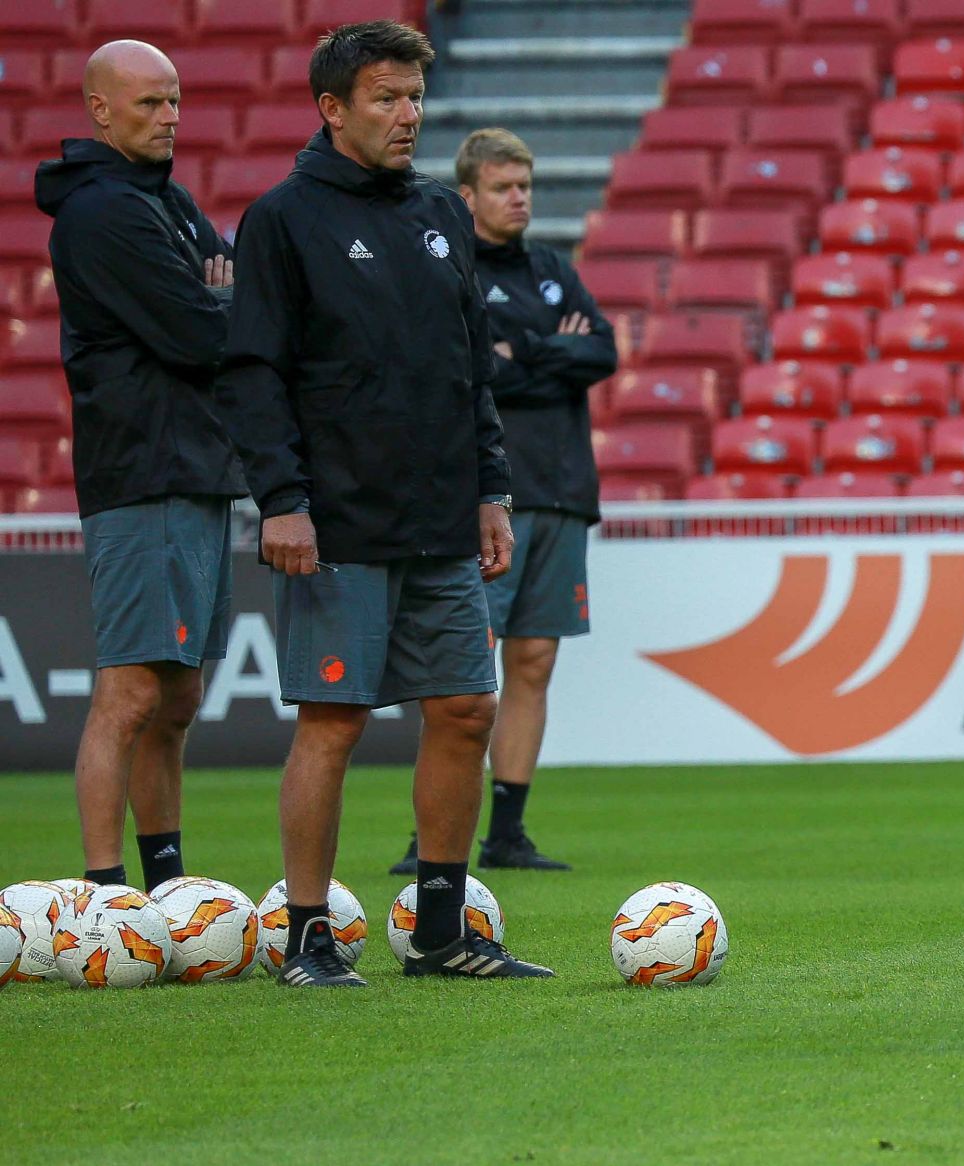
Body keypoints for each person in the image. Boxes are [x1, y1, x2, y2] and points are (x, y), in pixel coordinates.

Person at [217, 20, 553, 986]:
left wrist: (491, 488)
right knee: (334, 722)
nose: (408, 115)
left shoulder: (441, 213)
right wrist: (282, 501)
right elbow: (252, 376)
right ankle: (308, 936)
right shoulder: (284, 220)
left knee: (463, 709)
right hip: (337, 526)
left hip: (443, 518)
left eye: (414, 96)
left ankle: (442, 931)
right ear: (332, 109)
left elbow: (468, 375)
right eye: (386, 98)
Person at [36, 40, 241, 894]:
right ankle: (103, 893)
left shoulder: (168, 200)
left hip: (195, 467)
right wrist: (221, 298)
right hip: (143, 470)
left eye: (176, 101)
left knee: (180, 697)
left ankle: (166, 886)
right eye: (150, 103)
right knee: (128, 693)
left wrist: (222, 297)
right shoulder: (104, 214)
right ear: (100, 110)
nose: (169, 117)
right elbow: (204, 331)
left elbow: (231, 297)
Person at [388, 128, 616, 877]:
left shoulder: (554, 270)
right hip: (488, 495)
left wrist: (529, 354)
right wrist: (550, 352)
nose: (518, 197)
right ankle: (432, 835)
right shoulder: (449, 267)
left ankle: (508, 832)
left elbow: (603, 352)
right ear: (469, 195)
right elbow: (474, 367)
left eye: (524, 184)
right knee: (464, 663)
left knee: (535, 658)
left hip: (562, 489)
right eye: (503, 186)